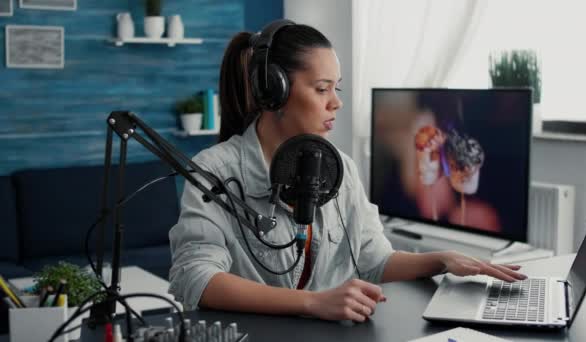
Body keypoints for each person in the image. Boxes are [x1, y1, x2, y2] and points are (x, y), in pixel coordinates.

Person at [168, 19, 527, 323]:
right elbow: (196, 279)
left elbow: (375, 261)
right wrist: (313, 303)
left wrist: (441, 259)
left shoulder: (343, 170)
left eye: (336, 88)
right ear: (273, 92)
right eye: (322, 88)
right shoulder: (214, 171)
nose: (336, 102)